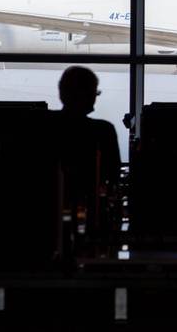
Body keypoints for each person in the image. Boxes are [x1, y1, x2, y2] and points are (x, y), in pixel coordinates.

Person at [42, 66, 122, 233]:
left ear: (62, 92)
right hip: (91, 220)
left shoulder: (39, 124)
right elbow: (112, 178)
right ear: (90, 96)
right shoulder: (103, 132)